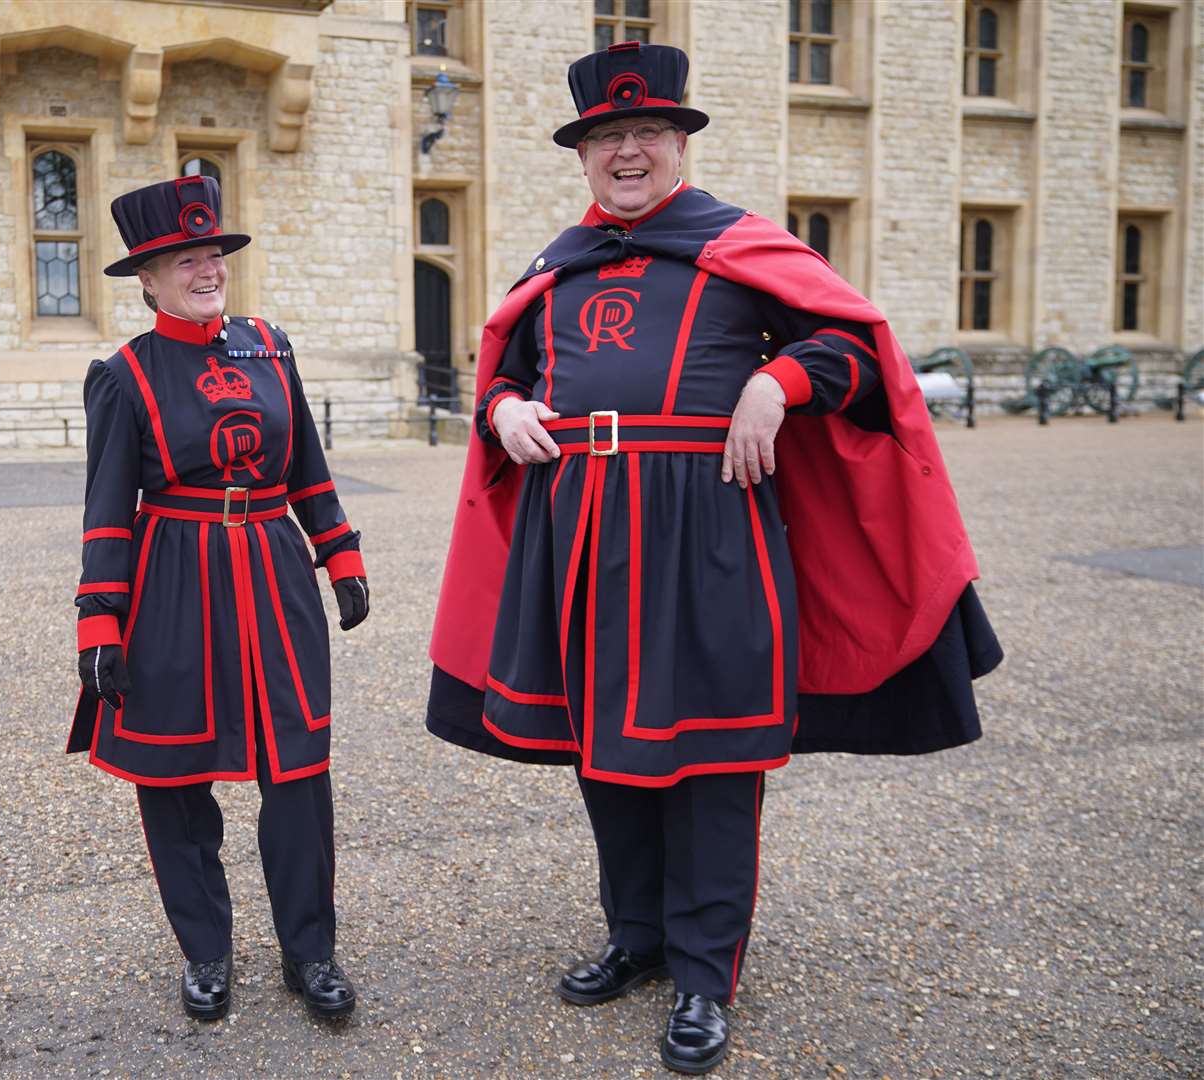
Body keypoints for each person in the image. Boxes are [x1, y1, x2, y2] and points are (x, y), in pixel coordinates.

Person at [425, 43, 1001, 1074]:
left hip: (713, 537)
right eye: (608, 139)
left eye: (647, 134)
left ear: (680, 142)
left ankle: (702, 973)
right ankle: (638, 937)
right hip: (583, 538)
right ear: (585, 157)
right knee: (603, 754)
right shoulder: (555, 267)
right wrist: (506, 407)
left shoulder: (744, 246)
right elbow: (500, 376)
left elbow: (856, 351)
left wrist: (778, 382)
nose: (628, 152)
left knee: (712, 763)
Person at [67, 175, 370, 1023]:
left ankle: (310, 952)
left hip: (276, 577)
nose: (204, 270)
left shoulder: (271, 347)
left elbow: (305, 462)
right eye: (182, 259)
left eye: (212, 254)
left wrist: (339, 554)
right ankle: (205, 950)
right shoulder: (124, 375)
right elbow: (106, 509)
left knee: (300, 773)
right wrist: (100, 618)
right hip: (173, 584)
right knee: (172, 778)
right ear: (148, 279)